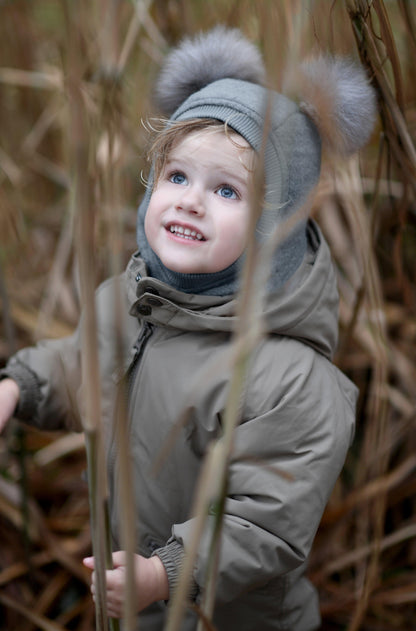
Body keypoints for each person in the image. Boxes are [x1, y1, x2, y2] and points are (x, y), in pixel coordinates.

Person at [0, 26, 376, 631]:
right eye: (176, 177)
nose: (189, 202)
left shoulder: (291, 379)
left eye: (228, 190)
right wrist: (18, 387)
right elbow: (81, 366)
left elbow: (265, 523)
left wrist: (165, 573)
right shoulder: (128, 301)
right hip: (133, 594)